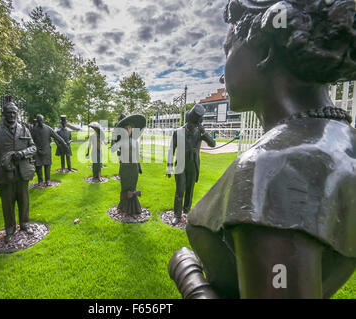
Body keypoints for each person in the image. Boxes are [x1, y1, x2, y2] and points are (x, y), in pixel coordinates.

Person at [169, 0, 356, 299]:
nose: (223, 72)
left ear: (266, 52)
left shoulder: (275, 166)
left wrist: (190, 277)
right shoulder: (344, 143)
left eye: (228, 49)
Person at [0, 102, 37, 244]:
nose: (12, 115)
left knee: (24, 199)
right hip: (4, 173)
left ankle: (24, 223)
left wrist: (22, 153)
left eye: (14, 112)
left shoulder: (24, 129)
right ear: (3, 113)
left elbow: (33, 148)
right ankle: (9, 228)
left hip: (22, 172)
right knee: (7, 202)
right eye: (9, 112)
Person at [166, 104, 216, 225]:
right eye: (192, 124)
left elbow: (212, 144)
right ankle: (177, 215)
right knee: (180, 190)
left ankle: (187, 211)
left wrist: (204, 132)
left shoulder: (199, 132)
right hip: (180, 164)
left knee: (190, 190)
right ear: (188, 121)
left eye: (195, 124)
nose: (193, 126)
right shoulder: (177, 132)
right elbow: (171, 150)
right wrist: (168, 167)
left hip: (193, 164)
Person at [111, 114, 146, 215]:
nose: (128, 130)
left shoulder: (135, 142)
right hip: (125, 168)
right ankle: (123, 207)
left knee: (132, 188)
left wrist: (139, 167)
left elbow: (137, 155)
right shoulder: (121, 141)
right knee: (124, 188)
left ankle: (133, 209)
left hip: (133, 168)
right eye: (126, 128)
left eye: (130, 128)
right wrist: (113, 139)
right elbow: (113, 149)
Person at [31, 114, 67, 186]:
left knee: (47, 165)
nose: (40, 122)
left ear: (43, 120)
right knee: (38, 166)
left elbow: (57, 136)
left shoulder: (48, 128)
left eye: (41, 120)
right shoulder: (34, 129)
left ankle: (48, 180)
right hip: (37, 150)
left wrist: (64, 143)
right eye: (39, 121)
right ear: (37, 121)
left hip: (47, 150)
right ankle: (40, 180)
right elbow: (31, 139)